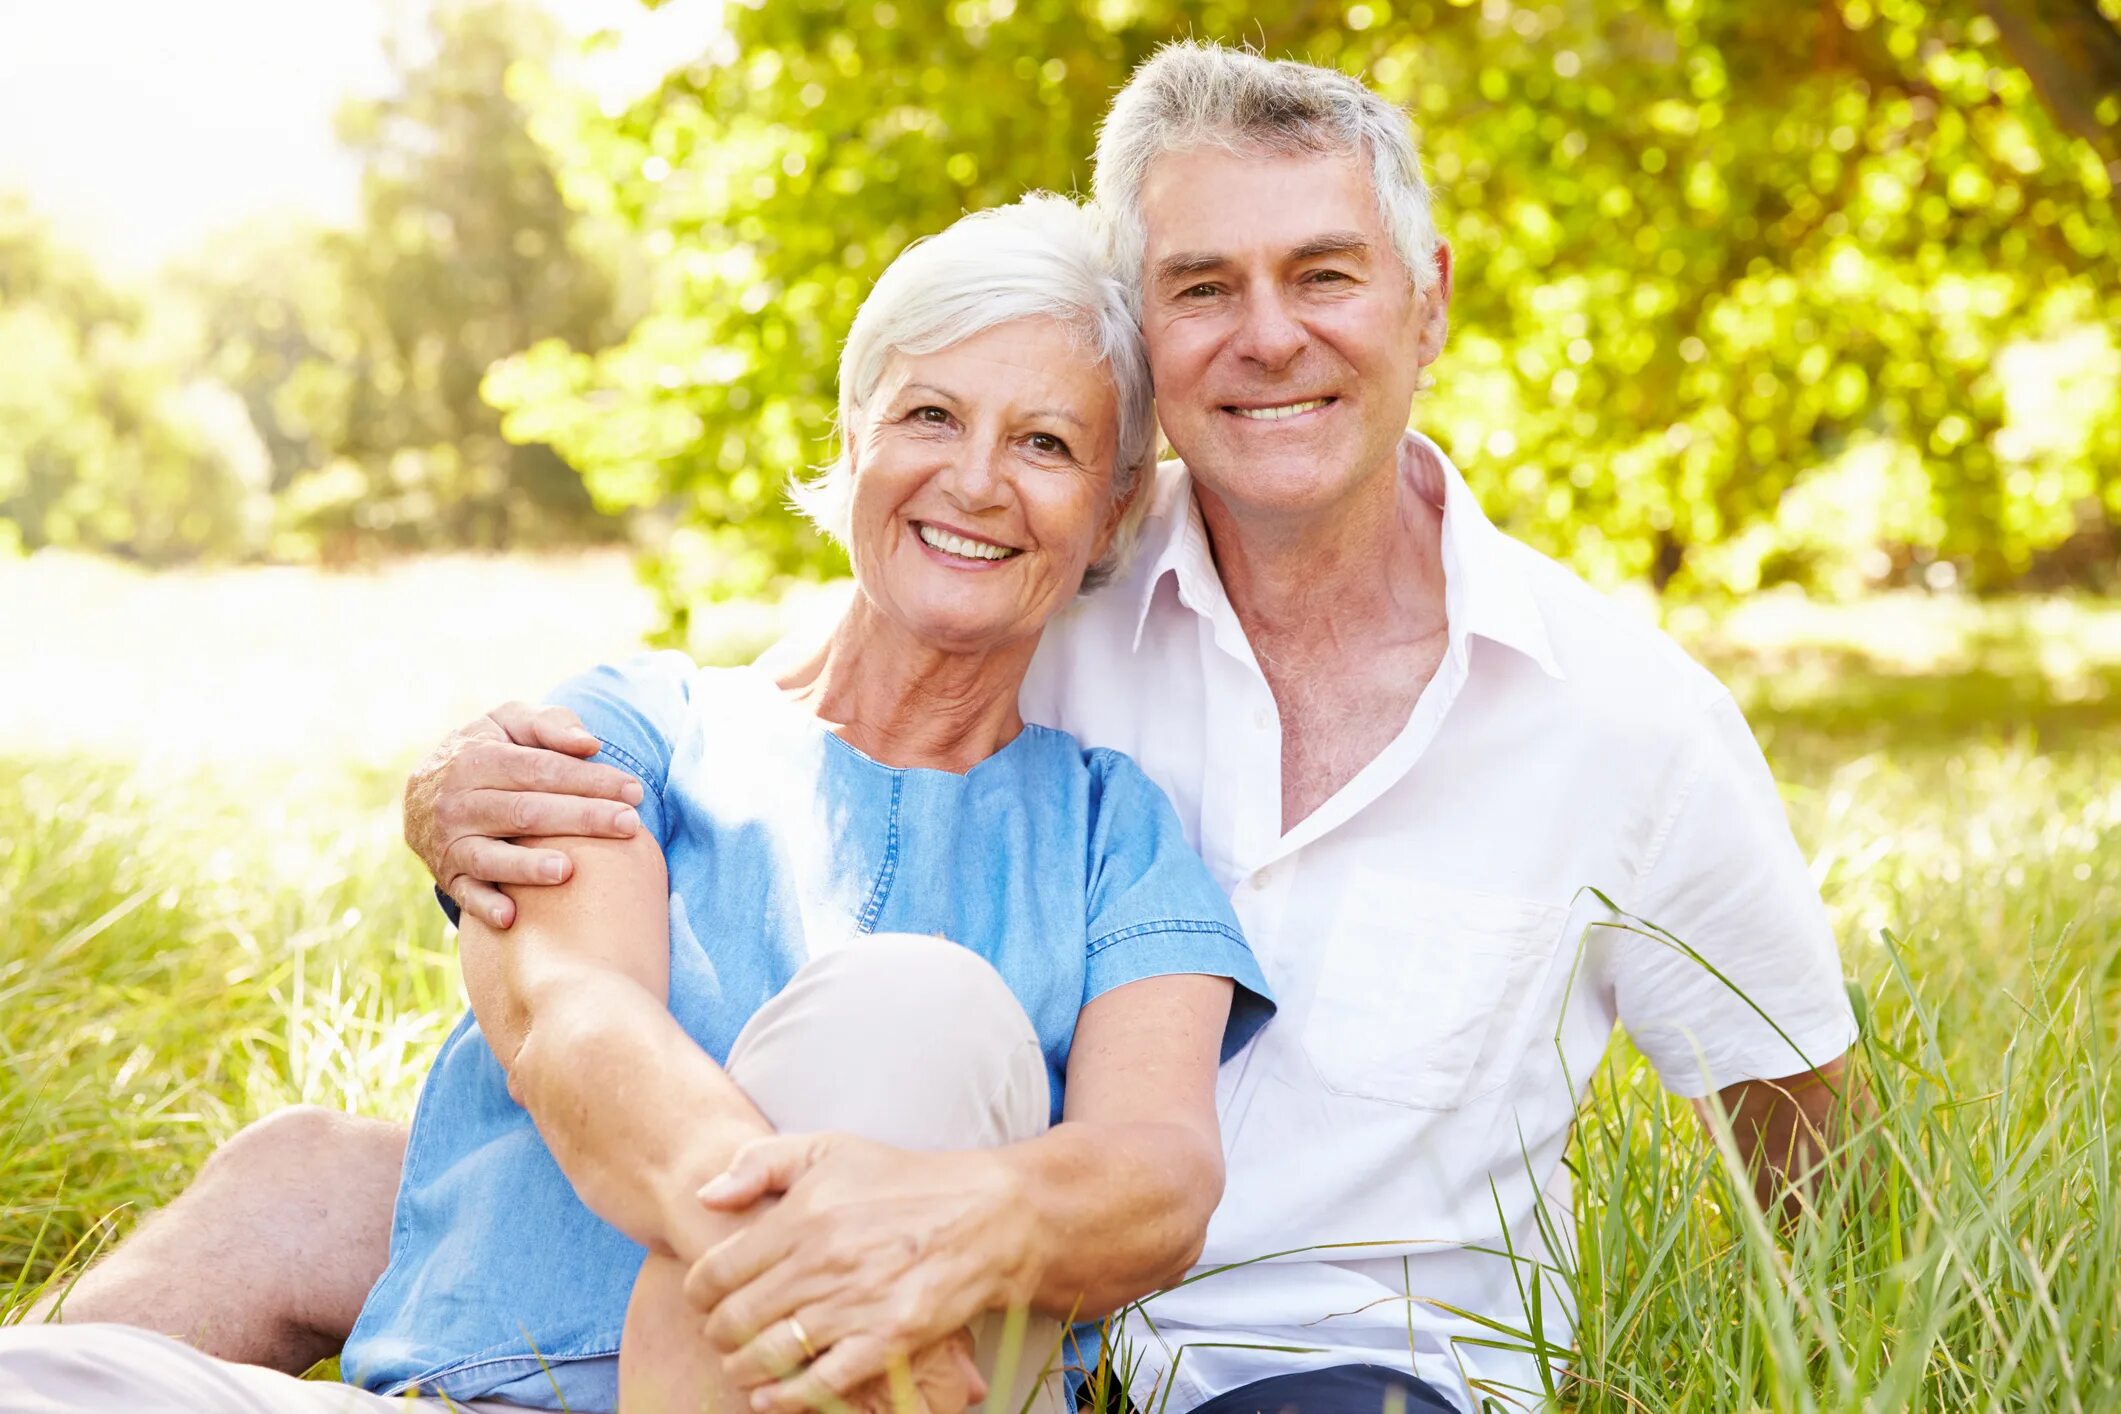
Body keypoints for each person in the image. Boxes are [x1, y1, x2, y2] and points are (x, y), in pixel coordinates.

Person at [10, 42, 1860, 1414]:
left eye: (1323, 274)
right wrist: (465, 782)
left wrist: (948, 1238)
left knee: (913, 1010)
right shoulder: (762, 693)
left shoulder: (1596, 723)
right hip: (844, 1352)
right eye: (1203, 286)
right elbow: (756, 767)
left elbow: (1805, 1124)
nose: (1265, 335)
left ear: (1426, 301)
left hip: (1268, 1374)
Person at [0, 194, 1273, 1414]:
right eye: (931, 415)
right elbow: (573, 1015)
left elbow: (1155, 1173)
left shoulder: (1113, 830)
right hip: (476, 1393)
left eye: (1046, 444)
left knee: (914, 1013)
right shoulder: (631, 733)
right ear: (854, 440)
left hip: (893, 1397)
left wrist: (935, 1257)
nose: (979, 479)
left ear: (1114, 505)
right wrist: (801, 1257)